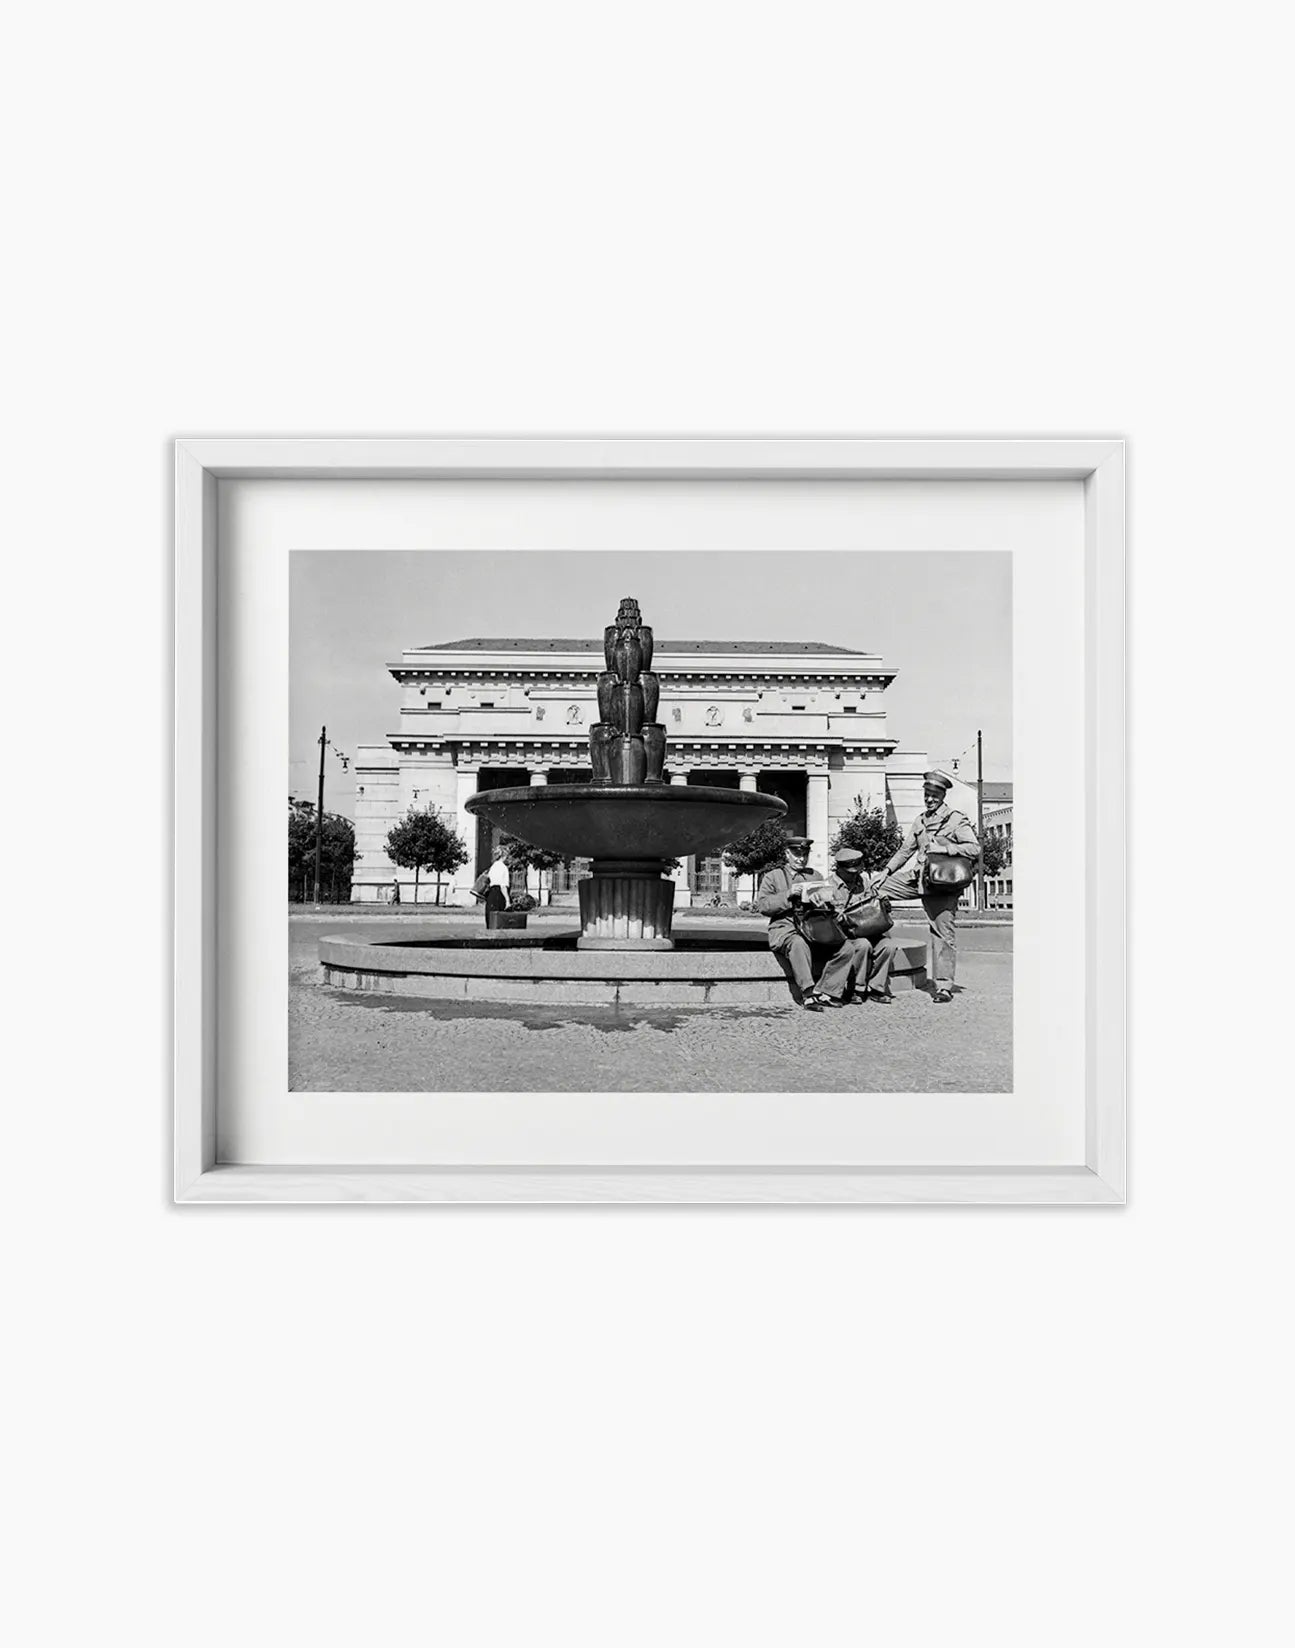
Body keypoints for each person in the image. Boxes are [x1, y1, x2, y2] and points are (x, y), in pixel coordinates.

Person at [875, 770, 980, 1003]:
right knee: (876, 890)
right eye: (927, 795)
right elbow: (905, 850)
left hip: (941, 885)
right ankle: (875, 954)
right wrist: (886, 871)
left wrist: (946, 849)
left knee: (942, 933)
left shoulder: (955, 819)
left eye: (934, 795)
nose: (930, 799)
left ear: (942, 795)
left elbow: (974, 848)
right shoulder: (921, 820)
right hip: (917, 878)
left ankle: (943, 986)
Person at [755, 833, 854, 1011]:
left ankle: (827, 991)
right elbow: (763, 906)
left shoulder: (815, 875)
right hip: (785, 929)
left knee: (846, 947)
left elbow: (828, 906)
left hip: (813, 928)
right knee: (798, 944)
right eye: (797, 855)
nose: (801, 859)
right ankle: (808, 994)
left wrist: (823, 902)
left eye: (805, 855)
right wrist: (787, 894)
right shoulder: (773, 876)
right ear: (787, 854)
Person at [829, 848, 898, 1004]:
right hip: (844, 936)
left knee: (888, 946)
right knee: (863, 945)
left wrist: (884, 905)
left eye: (856, 871)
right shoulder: (828, 886)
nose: (854, 875)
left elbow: (875, 903)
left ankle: (876, 988)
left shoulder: (864, 883)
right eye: (849, 872)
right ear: (839, 868)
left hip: (868, 930)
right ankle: (856, 989)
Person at [473, 850, 512, 923]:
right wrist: (507, 900)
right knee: (499, 921)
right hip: (499, 895)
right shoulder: (504, 868)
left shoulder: (492, 867)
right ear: (504, 857)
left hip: (490, 895)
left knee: (490, 920)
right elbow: (503, 886)